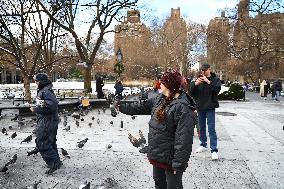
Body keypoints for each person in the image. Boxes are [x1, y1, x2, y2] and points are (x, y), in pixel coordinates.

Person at [118, 70, 197, 189]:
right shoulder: (160, 98)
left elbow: (184, 139)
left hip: (171, 160)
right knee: (159, 183)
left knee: (173, 186)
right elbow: (141, 107)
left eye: (163, 82)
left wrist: (179, 164)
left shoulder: (183, 107)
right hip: (158, 154)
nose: (160, 84)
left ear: (169, 85)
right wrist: (121, 107)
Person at [30, 73, 62, 174]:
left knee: (42, 142)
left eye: (36, 81)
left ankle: (54, 162)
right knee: (50, 141)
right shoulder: (44, 90)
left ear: (41, 81)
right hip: (47, 120)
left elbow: (52, 106)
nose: (35, 82)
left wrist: (36, 109)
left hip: (47, 121)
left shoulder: (46, 91)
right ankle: (56, 161)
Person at [190, 63, 221, 160]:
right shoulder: (198, 78)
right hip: (200, 107)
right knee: (201, 127)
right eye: (202, 70)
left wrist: (208, 82)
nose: (203, 72)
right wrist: (195, 84)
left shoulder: (215, 79)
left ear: (209, 69)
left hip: (210, 107)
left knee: (211, 128)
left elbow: (217, 90)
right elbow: (191, 92)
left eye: (205, 70)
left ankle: (214, 150)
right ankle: (203, 144)